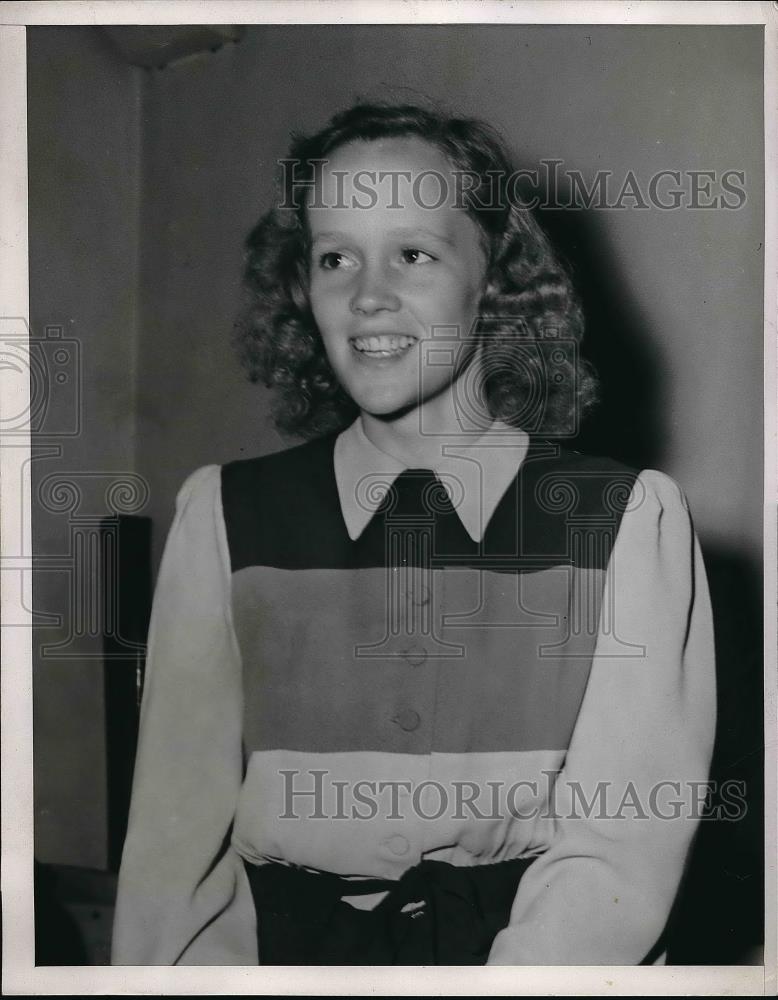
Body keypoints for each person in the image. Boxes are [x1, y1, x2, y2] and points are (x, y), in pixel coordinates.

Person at [111, 102, 716, 966]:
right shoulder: (225, 515)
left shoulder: (624, 521)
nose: (366, 296)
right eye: (334, 258)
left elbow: (621, 850)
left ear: (495, 279)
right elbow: (172, 858)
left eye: (414, 253)